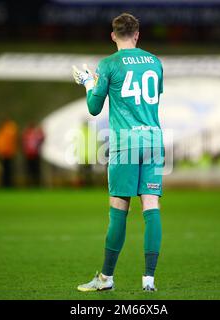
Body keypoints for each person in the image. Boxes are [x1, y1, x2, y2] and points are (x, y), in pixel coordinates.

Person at [72, 13, 164, 292]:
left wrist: (89, 82)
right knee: (151, 206)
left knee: (118, 210)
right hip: (154, 141)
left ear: (113, 36)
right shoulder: (155, 62)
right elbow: (153, 97)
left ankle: (106, 279)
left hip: (125, 144)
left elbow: (94, 108)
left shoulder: (109, 64)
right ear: (137, 34)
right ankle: (149, 279)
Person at [0, 118, 18, 188]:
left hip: (8, 154)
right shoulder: (1, 132)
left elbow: (7, 141)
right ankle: (4, 184)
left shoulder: (9, 129)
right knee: (5, 170)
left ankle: (7, 184)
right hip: (3, 154)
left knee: (8, 170)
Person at [22, 122, 45, 187]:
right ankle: (31, 183)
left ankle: (36, 183)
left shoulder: (34, 134)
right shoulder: (27, 134)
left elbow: (42, 139)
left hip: (35, 154)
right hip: (30, 154)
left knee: (35, 170)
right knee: (31, 170)